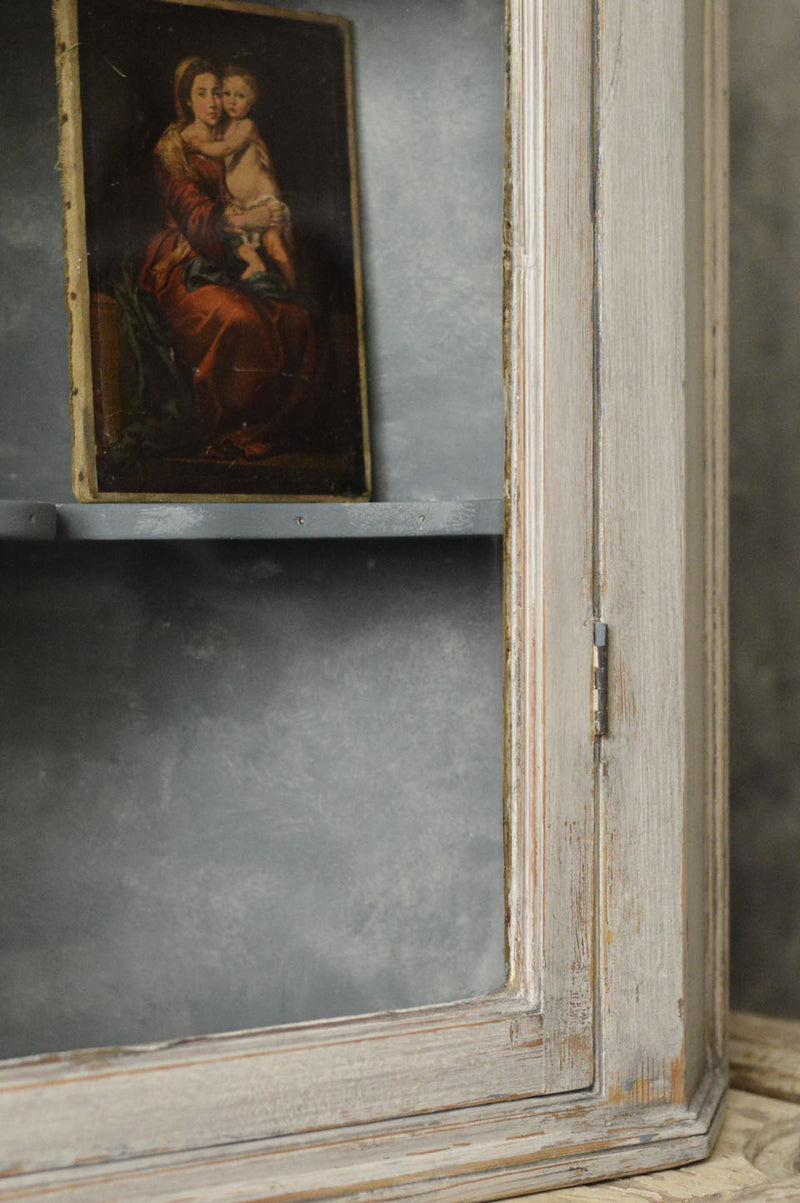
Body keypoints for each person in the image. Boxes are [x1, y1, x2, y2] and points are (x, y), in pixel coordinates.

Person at [138, 57, 318, 460]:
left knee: (295, 319)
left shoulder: (236, 135)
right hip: (187, 259)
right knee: (241, 320)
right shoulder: (175, 147)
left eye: (218, 92)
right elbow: (194, 216)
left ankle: (264, 430)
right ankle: (224, 430)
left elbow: (260, 185)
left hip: (237, 257)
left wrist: (267, 216)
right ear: (186, 98)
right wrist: (244, 219)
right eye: (202, 93)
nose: (214, 101)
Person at [181, 65, 297, 287]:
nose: (232, 101)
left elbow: (224, 149)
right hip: (244, 208)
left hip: (264, 203)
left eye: (240, 96)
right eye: (227, 94)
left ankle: (295, 292)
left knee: (274, 244)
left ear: (251, 101)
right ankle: (257, 267)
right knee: (239, 245)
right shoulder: (221, 128)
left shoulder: (247, 126)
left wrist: (196, 144)